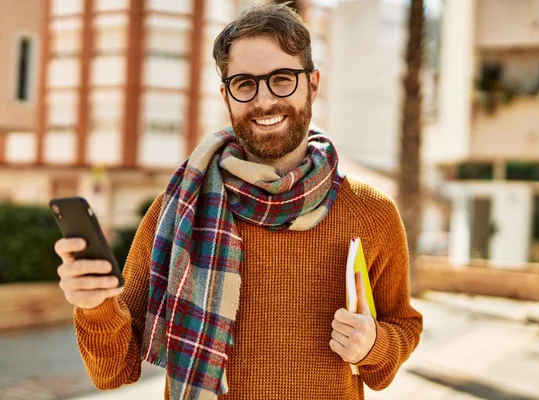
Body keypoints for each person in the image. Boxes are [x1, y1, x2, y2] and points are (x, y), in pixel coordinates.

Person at [54, 4, 422, 400]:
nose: (263, 101)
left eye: (282, 79)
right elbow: (114, 371)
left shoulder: (372, 212)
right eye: (245, 83)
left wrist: (373, 346)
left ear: (313, 84)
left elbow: (403, 326)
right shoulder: (179, 208)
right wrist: (95, 307)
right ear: (226, 94)